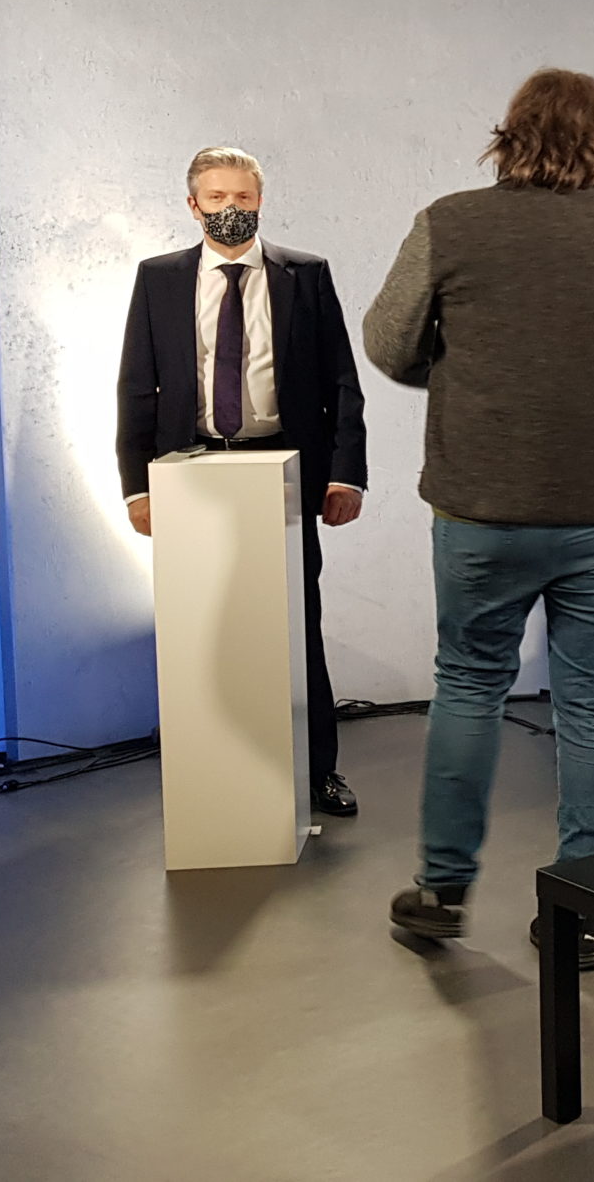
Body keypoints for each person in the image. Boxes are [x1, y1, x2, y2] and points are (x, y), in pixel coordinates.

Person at [367, 68, 594, 973]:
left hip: (483, 506)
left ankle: (442, 892)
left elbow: (389, 341)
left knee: (468, 687)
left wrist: (463, 367)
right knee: (593, 702)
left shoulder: (450, 223)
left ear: (509, 136)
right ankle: (583, 912)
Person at [117, 146, 369, 818]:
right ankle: (215, 772)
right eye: (218, 197)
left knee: (298, 623)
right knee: (205, 623)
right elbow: (137, 387)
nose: (232, 208)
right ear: (193, 204)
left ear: (261, 201)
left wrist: (345, 474)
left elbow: (341, 383)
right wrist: (137, 488)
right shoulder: (159, 278)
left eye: (243, 197)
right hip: (192, 470)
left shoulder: (305, 274)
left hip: (284, 467)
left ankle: (318, 770)